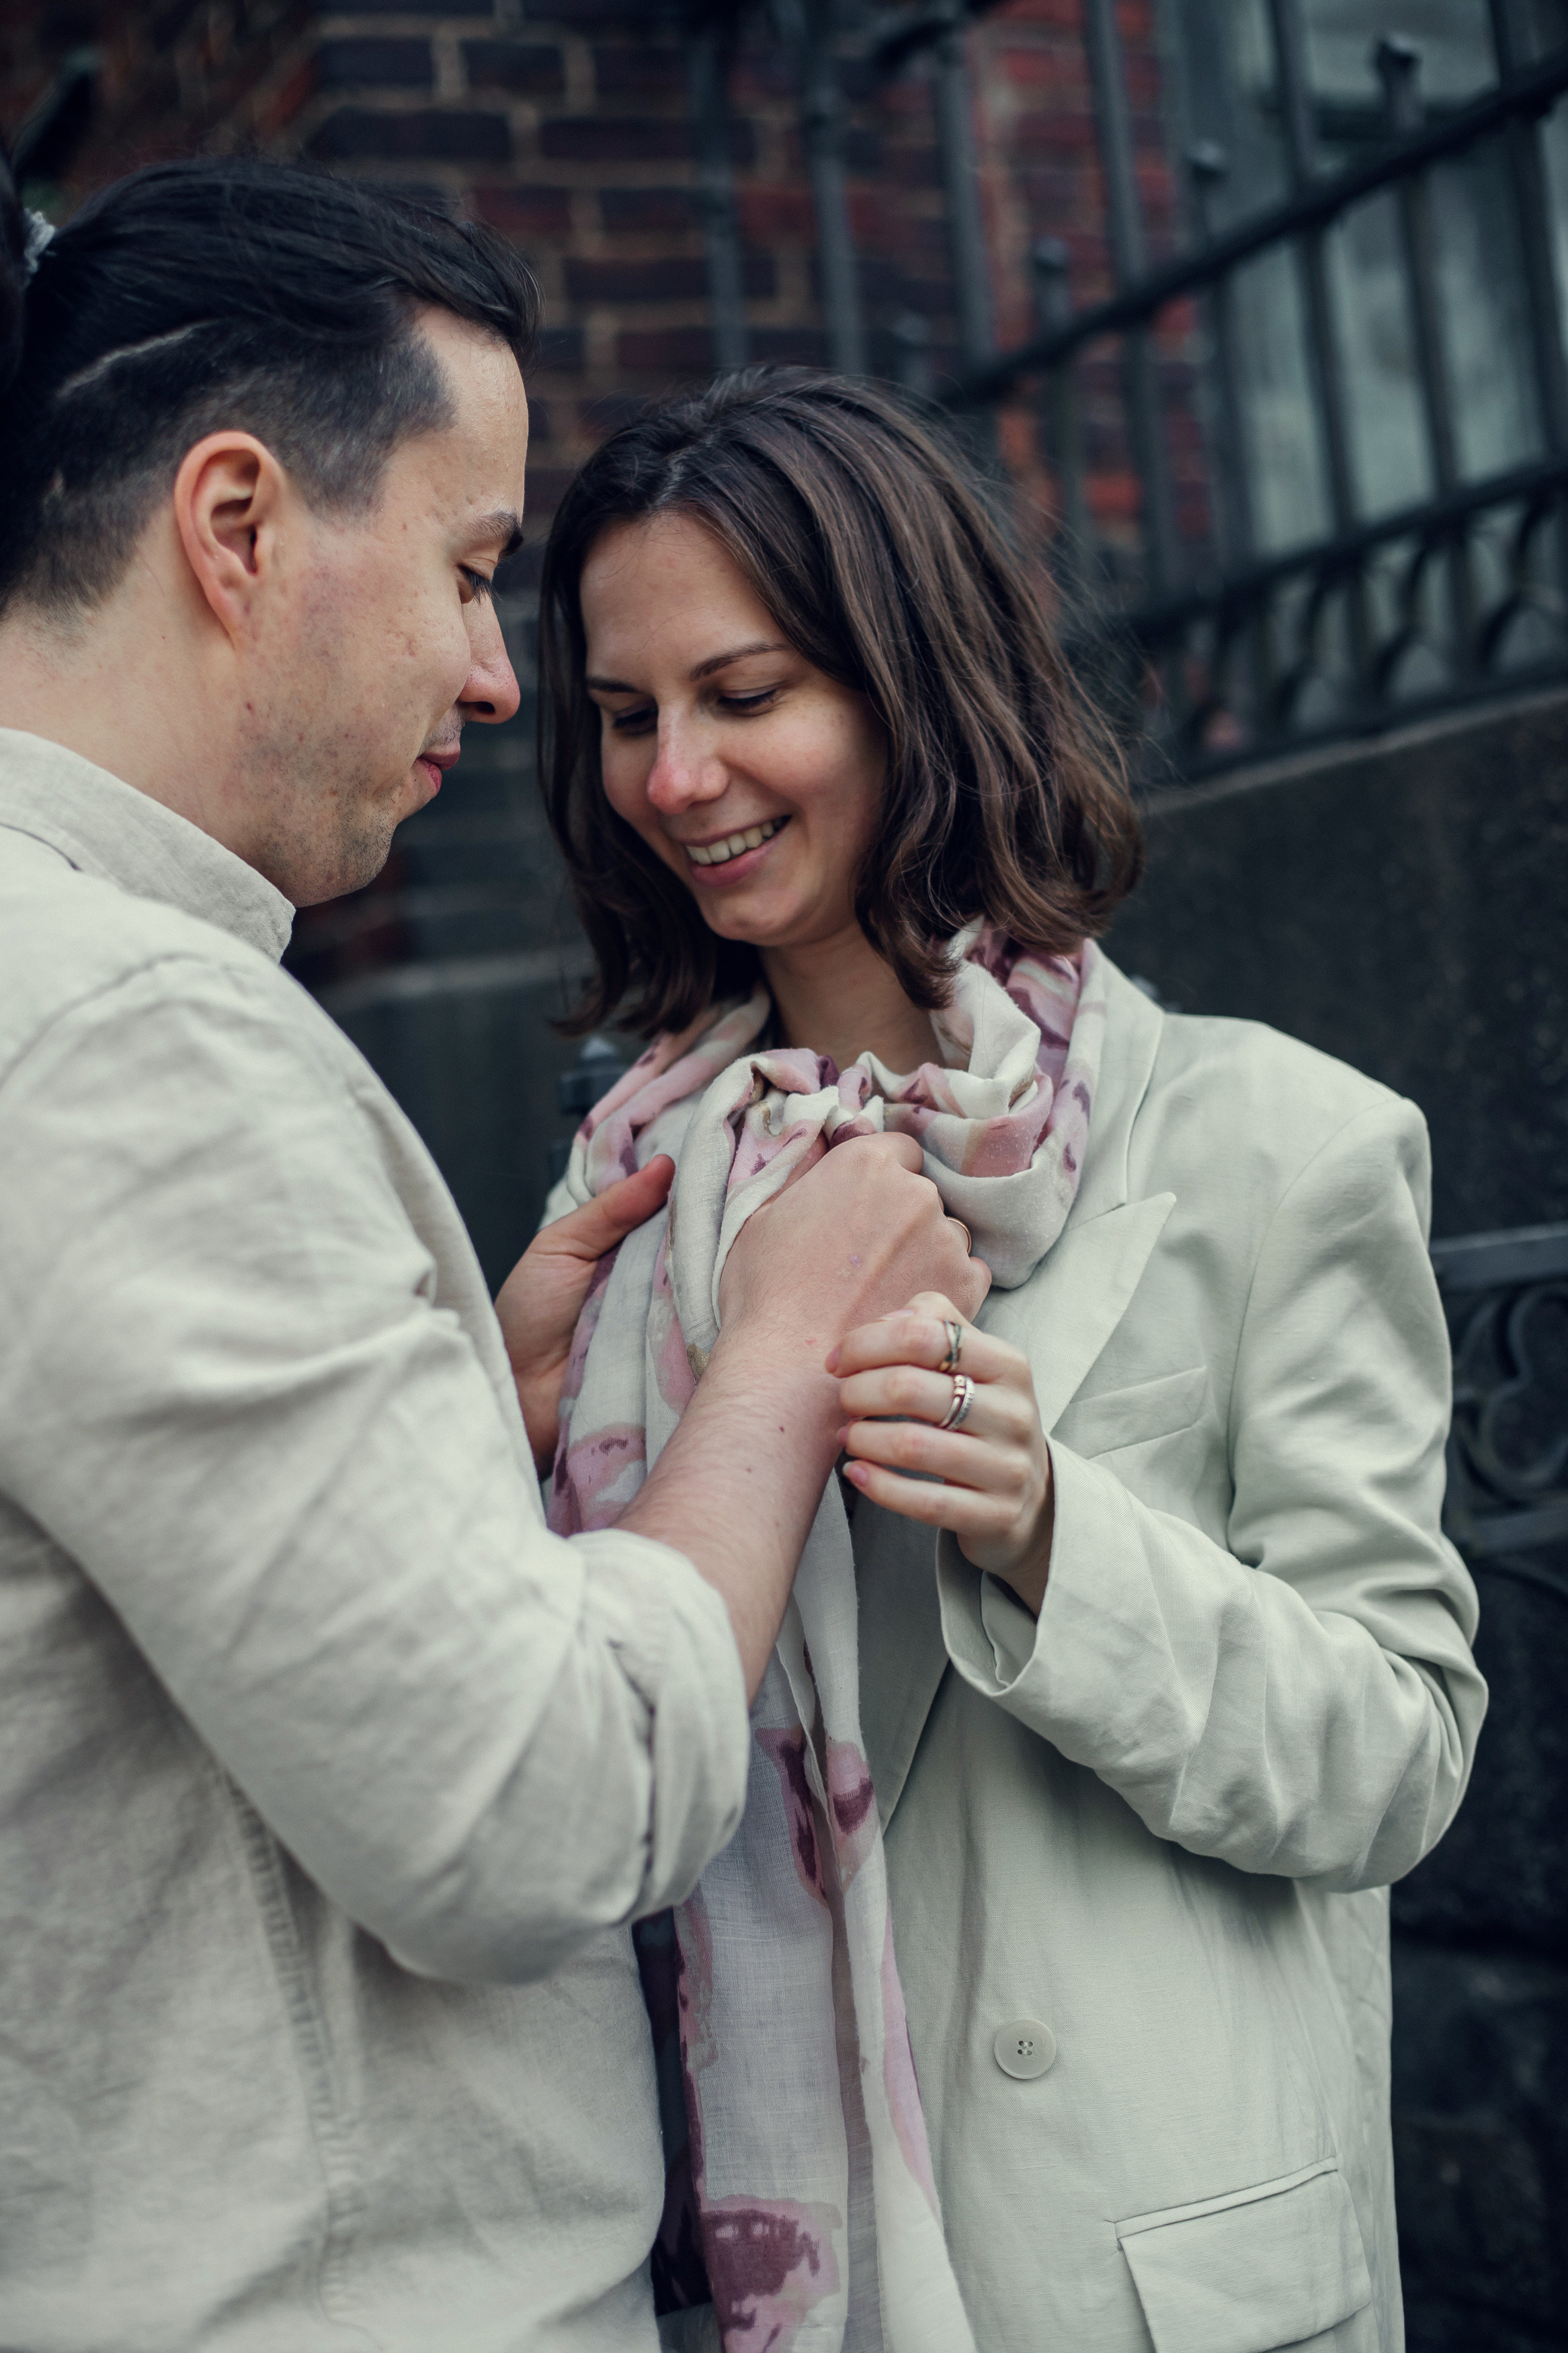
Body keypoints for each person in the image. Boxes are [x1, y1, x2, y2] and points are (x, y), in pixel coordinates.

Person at [0, 161, 985, 2350]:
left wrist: (464, 1419)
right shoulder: (127, 1030)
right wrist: (778, 1358)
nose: (495, 674)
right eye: (465, 568)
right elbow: (528, 1810)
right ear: (235, 526)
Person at [536, 368, 1489, 2353]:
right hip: (752, 2266)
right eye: (629, 716)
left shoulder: (1274, 1142)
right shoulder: (626, 1197)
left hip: (1139, 2274)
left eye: (746, 692)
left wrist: (1060, 1533)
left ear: (912, 687)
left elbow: (1399, 1752)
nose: (676, 777)